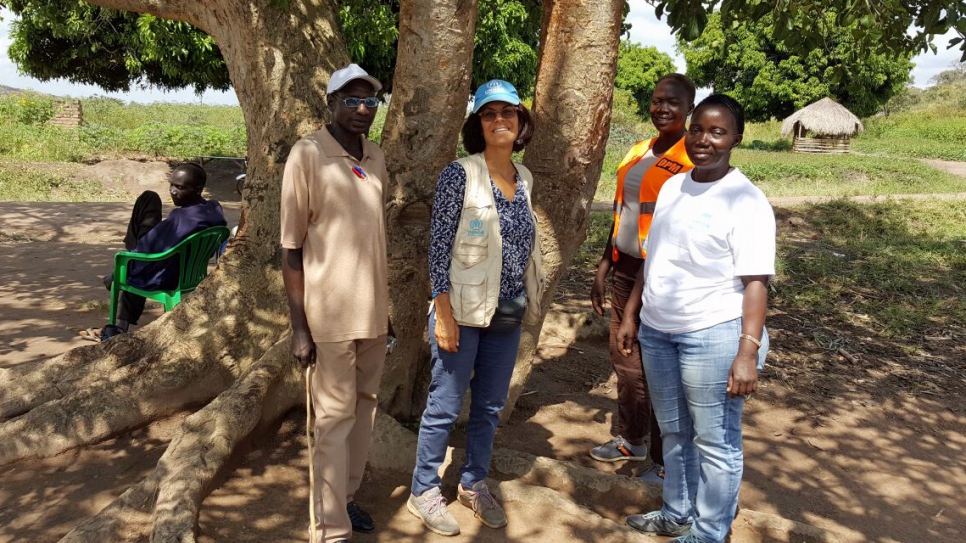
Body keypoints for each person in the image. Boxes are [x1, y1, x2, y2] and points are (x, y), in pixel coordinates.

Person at [618, 94, 775, 543]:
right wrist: (633, 312)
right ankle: (677, 513)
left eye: (718, 131)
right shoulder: (673, 185)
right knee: (674, 432)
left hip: (714, 334)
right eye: (698, 129)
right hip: (659, 330)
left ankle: (710, 532)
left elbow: (756, 283)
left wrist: (748, 350)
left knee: (715, 441)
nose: (704, 139)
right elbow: (654, 256)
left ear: (737, 138)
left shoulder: (745, 201)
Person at [407, 79, 542, 537]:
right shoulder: (459, 174)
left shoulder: (524, 179)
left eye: (508, 113)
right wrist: (441, 313)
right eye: (490, 114)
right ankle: (423, 489)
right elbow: (438, 247)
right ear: (478, 124)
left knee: (488, 406)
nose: (500, 121)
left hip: (506, 314)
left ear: (521, 122)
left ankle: (472, 483)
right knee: (444, 405)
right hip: (461, 311)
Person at [280, 64, 389, 543]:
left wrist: (384, 312)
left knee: (363, 411)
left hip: (373, 315)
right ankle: (328, 528)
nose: (362, 109)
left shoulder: (377, 156)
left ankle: (345, 497)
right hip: (327, 317)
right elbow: (290, 249)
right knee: (332, 418)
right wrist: (299, 327)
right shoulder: (308, 154)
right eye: (352, 100)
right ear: (331, 102)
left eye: (369, 101)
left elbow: (371, 239)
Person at [588, 74, 696, 486]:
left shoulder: (691, 159)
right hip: (625, 266)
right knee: (623, 359)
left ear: (688, 108)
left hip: (661, 276)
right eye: (656, 101)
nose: (662, 108)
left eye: (672, 102)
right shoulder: (638, 150)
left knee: (655, 367)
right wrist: (604, 266)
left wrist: (636, 293)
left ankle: (665, 460)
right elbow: (623, 213)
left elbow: (669, 232)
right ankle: (632, 439)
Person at [91, 162, 227, 341]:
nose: (172, 191)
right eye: (171, 185)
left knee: (133, 257)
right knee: (150, 199)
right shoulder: (213, 209)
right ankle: (131, 247)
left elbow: (147, 251)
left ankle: (121, 325)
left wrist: (116, 273)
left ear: (198, 189)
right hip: (191, 271)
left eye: (179, 187)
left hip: (167, 274)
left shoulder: (179, 218)